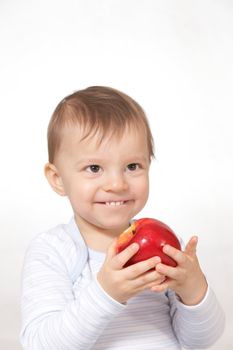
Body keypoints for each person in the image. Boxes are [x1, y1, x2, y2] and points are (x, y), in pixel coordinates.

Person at [20, 86, 225, 350]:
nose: (117, 183)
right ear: (58, 179)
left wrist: (193, 289)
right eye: (94, 168)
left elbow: (200, 341)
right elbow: (41, 344)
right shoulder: (52, 251)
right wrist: (106, 292)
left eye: (132, 166)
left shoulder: (163, 246)